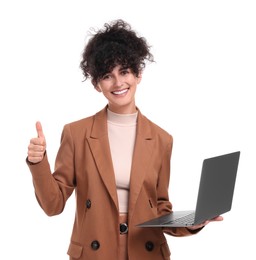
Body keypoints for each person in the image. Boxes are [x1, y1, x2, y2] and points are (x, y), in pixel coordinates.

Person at [26, 19, 223, 260]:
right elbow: (52, 205)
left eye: (125, 71)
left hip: (146, 251)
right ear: (97, 84)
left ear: (138, 74)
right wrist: (38, 163)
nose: (118, 83)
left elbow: (160, 208)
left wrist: (192, 223)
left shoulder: (162, 139)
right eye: (108, 75)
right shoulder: (76, 134)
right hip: (94, 252)